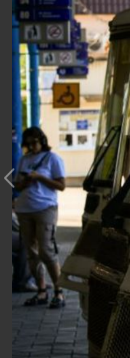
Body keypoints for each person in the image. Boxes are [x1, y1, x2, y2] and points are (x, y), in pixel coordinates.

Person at [13, 127, 67, 308]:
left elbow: (61, 185)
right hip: (24, 209)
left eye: (34, 142)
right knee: (31, 253)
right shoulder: (24, 160)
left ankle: (59, 292)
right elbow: (17, 186)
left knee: (46, 250)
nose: (31, 146)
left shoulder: (53, 159)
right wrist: (26, 181)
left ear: (42, 141)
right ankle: (41, 291)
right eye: (28, 144)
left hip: (45, 208)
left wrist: (40, 177)